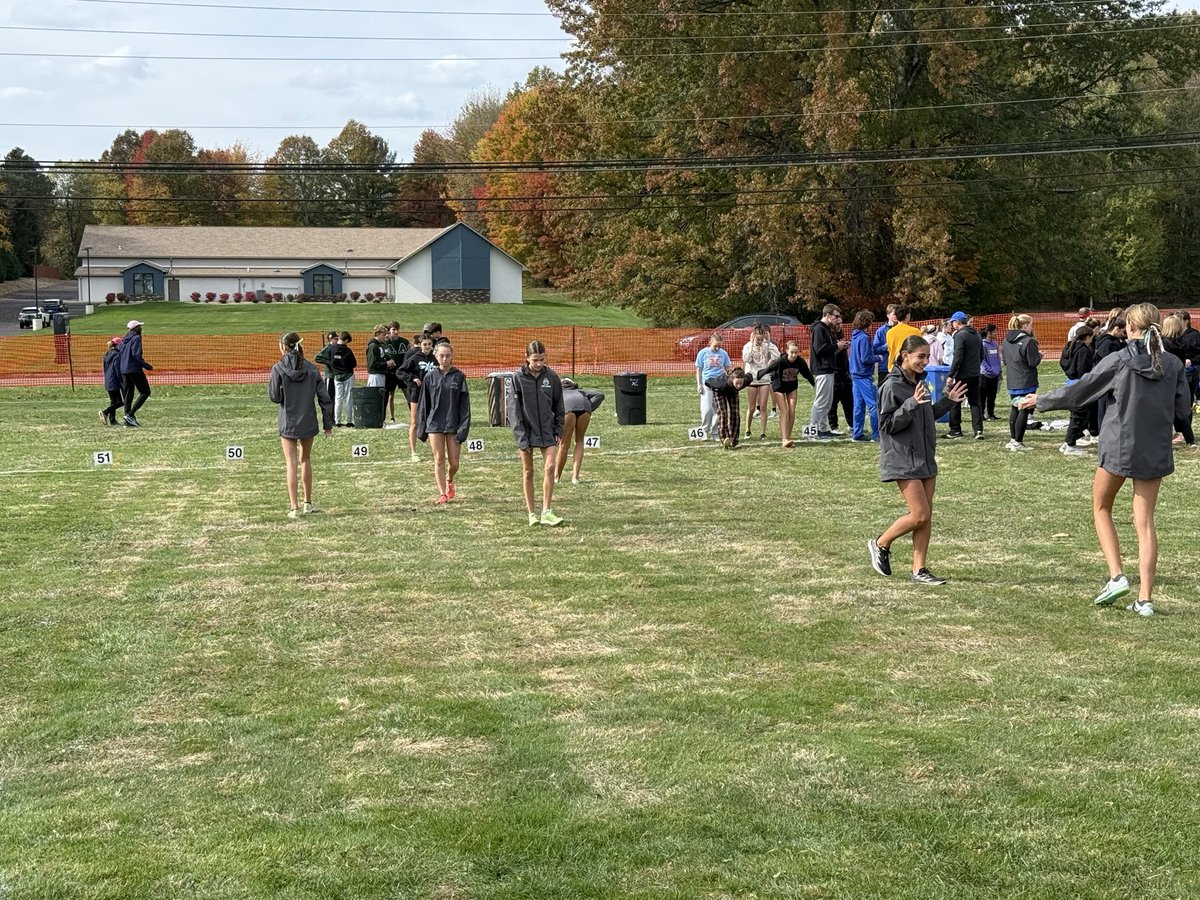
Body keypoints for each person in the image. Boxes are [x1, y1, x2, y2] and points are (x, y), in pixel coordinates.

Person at [1019, 303, 1190, 616]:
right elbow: (1182, 410)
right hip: (1154, 448)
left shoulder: (1120, 359)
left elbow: (1081, 390)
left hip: (1118, 446)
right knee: (1146, 523)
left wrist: (1040, 401)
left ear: (1130, 328)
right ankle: (1145, 599)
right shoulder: (1173, 364)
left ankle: (1116, 576)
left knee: (1101, 507)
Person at [868, 334, 968, 586]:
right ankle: (881, 542)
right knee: (920, 514)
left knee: (926, 515)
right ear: (905, 356)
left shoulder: (920, 382)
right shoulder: (891, 386)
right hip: (903, 458)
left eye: (927, 356)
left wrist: (948, 402)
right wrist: (911, 403)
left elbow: (925, 416)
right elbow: (886, 425)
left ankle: (919, 569)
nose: (925, 361)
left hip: (925, 457)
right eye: (920, 357)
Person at [268, 331, 334, 519]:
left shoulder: (278, 368)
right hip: (307, 420)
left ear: (283, 347)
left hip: (288, 421)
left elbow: (274, 397)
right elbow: (325, 398)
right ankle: (308, 503)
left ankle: (294, 507)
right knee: (305, 459)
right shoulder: (312, 368)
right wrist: (327, 424)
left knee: (291, 463)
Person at [509, 340, 566, 526]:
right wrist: (520, 437)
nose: (539, 363)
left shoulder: (552, 377)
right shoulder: (517, 378)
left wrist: (558, 429)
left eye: (542, 359)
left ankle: (547, 511)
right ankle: (532, 513)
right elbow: (513, 411)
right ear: (526, 358)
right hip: (526, 432)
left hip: (548, 431)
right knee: (528, 472)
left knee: (550, 467)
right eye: (535, 360)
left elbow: (559, 406)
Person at [415, 341, 471, 506]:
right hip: (435, 424)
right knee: (439, 459)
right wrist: (422, 428)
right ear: (436, 356)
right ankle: (442, 494)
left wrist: (463, 427)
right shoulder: (430, 377)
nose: (444, 359)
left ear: (452, 356)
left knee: (454, 462)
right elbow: (424, 404)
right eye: (441, 355)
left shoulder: (459, 377)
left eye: (447, 356)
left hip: (453, 423)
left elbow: (464, 406)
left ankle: (449, 479)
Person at [757, 340, 814, 447]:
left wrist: (813, 383)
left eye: (796, 352)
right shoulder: (780, 361)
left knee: (792, 411)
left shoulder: (800, 361)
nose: (794, 355)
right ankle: (784, 439)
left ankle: (787, 436)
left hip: (792, 386)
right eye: (792, 352)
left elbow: (807, 373)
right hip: (779, 386)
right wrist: (760, 375)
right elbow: (769, 368)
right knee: (784, 411)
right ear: (787, 351)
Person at [1002, 314, 1041, 452]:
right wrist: (1039, 356)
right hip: (1026, 380)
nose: (1032, 328)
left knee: (1014, 408)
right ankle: (1018, 442)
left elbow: (1005, 361)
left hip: (1012, 380)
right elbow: (1032, 362)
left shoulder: (1006, 341)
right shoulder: (1028, 341)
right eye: (1031, 325)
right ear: (1025, 326)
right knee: (1024, 409)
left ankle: (1013, 439)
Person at [808, 304, 847, 440]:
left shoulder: (825, 328)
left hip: (828, 369)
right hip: (822, 369)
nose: (838, 319)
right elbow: (819, 349)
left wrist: (837, 347)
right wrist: (837, 345)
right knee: (820, 401)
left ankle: (823, 429)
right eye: (836, 316)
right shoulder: (819, 328)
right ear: (827, 315)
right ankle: (813, 431)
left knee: (827, 401)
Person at [557, 377, 605, 484]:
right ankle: (575, 478)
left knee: (564, 444)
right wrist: (589, 407)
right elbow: (600, 395)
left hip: (568, 408)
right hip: (584, 406)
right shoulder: (581, 391)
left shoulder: (557, 392)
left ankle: (557, 477)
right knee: (579, 441)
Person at [1058, 324, 1096, 457]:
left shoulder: (1069, 347)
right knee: (1080, 416)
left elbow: (1062, 363)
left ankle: (1068, 442)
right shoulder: (1083, 350)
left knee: (1075, 415)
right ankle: (1070, 444)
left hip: (1070, 382)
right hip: (1080, 385)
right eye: (1092, 337)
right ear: (1087, 337)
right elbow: (1083, 370)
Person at [400, 333, 438, 461]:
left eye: (429, 344)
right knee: (414, 422)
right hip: (416, 393)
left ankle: (435, 450)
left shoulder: (434, 358)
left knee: (432, 421)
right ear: (420, 345)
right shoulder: (415, 357)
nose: (427, 347)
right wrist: (413, 378)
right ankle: (413, 452)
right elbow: (400, 371)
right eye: (425, 344)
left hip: (431, 394)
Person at [947, 310, 984, 440]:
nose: (952, 325)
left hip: (961, 374)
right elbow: (981, 354)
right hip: (975, 373)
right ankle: (978, 430)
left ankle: (955, 429)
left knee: (955, 401)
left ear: (957, 322)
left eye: (952, 322)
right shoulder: (977, 334)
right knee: (975, 402)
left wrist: (951, 374)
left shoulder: (959, 335)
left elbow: (958, 356)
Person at [1161, 314, 1196, 447]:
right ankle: (1189, 438)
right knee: (1181, 410)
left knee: (1164, 408)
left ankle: (1166, 435)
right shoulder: (1182, 342)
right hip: (1178, 377)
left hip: (1165, 378)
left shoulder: (1163, 343)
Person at [741, 325, 779, 440]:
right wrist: (752, 345)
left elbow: (776, 356)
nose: (760, 341)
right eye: (758, 339)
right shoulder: (748, 346)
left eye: (761, 339)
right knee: (752, 407)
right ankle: (748, 429)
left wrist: (768, 343)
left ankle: (763, 432)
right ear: (753, 337)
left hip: (764, 378)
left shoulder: (767, 345)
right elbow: (746, 359)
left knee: (763, 406)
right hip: (751, 378)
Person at [848, 309, 879, 441]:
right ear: (868, 323)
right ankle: (876, 434)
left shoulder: (855, 337)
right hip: (864, 376)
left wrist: (884, 348)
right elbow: (866, 358)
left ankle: (857, 433)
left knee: (859, 406)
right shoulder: (864, 338)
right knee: (874, 405)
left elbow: (868, 351)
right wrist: (878, 358)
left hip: (855, 375)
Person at [695, 333, 731, 440]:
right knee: (707, 409)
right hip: (707, 384)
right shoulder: (703, 353)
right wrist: (699, 384)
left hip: (719, 384)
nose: (717, 348)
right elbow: (699, 369)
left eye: (719, 346)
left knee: (719, 410)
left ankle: (716, 432)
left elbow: (727, 367)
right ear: (711, 342)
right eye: (715, 345)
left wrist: (729, 375)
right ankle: (704, 431)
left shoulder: (723, 353)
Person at [117, 319, 153, 427]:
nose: (141, 328)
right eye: (139, 326)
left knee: (128, 395)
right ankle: (130, 415)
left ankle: (127, 420)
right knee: (145, 392)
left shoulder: (123, 340)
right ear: (135, 328)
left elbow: (120, 353)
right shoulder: (136, 338)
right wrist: (146, 365)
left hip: (124, 370)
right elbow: (136, 354)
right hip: (134, 369)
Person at [706, 365, 750, 449]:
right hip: (719, 391)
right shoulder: (721, 384)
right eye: (737, 383)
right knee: (723, 413)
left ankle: (734, 440)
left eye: (741, 383)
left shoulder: (746, 380)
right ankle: (724, 438)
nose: (739, 385)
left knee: (735, 414)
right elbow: (708, 381)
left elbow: (751, 376)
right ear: (732, 379)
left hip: (732, 392)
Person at [328, 331, 357, 427]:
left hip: (337, 376)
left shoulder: (332, 349)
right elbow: (354, 364)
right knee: (349, 398)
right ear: (346, 340)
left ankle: (337, 421)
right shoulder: (348, 351)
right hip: (348, 375)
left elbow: (330, 362)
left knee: (338, 398)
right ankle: (349, 420)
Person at [383, 321, 410, 424]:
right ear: (390, 330)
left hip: (402, 372)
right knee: (390, 395)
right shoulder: (386, 343)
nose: (396, 331)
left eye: (397, 329)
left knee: (407, 393)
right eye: (393, 329)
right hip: (390, 373)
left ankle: (413, 414)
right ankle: (392, 417)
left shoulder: (404, 341)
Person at [885, 305, 921, 372]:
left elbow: (890, 349)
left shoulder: (889, 332)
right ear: (907, 315)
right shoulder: (915, 331)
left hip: (893, 366)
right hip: (909, 366)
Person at [1174, 309, 1200, 401]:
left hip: (1190, 370)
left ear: (1186, 321)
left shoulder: (1194, 336)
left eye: (1179, 320)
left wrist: (1192, 361)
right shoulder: (1175, 335)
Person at [98, 337, 124, 426]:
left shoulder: (107, 354)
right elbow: (117, 368)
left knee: (113, 401)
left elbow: (104, 368)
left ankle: (112, 420)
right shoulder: (117, 354)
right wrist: (122, 380)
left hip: (108, 379)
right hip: (115, 380)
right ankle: (105, 412)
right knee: (120, 402)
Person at [872, 303, 898, 386]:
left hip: (898, 367)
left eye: (898, 313)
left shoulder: (902, 329)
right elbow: (875, 350)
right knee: (883, 393)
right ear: (888, 315)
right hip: (884, 367)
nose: (896, 316)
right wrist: (886, 346)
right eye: (894, 314)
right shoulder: (880, 331)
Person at [980, 323, 1002, 420]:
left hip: (995, 375)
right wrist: (989, 369)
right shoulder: (983, 344)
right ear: (989, 333)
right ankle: (981, 415)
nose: (996, 333)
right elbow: (982, 360)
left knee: (992, 396)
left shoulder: (995, 344)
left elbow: (997, 358)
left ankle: (991, 414)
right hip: (985, 375)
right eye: (994, 332)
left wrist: (998, 370)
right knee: (983, 396)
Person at [314, 330, 339, 407]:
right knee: (329, 396)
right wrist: (329, 362)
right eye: (335, 339)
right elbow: (317, 358)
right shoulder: (328, 348)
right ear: (330, 339)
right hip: (330, 376)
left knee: (335, 396)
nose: (337, 340)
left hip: (336, 375)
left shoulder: (337, 347)